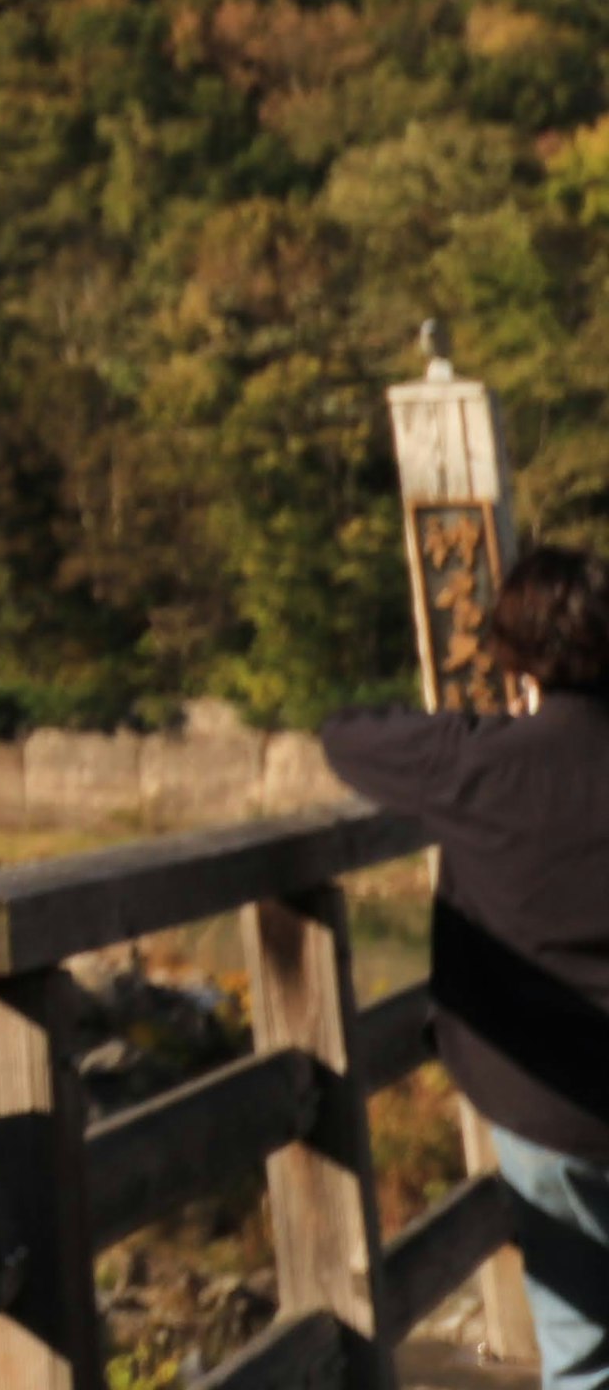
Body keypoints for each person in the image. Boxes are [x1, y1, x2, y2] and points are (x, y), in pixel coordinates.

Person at [322, 544, 609, 1390]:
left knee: (585, 1352)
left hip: (545, 1103)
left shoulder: (480, 761)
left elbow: (345, 735)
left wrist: (473, 720)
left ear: (515, 656)